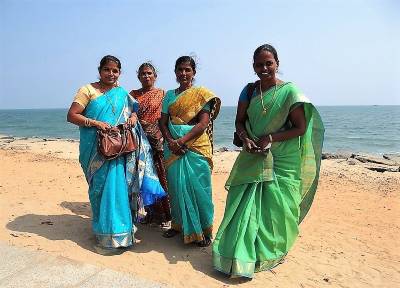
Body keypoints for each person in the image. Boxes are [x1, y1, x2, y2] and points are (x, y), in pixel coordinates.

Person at [212, 44, 325, 277]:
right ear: (253, 66)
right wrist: (245, 138)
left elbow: (301, 128)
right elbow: (239, 121)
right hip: (253, 154)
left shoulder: (290, 92)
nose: (264, 68)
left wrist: (270, 138)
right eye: (259, 64)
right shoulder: (249, 91)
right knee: (241, 203)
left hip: (282, 159)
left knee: (277, 208)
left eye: (268, 63)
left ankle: (269, 252)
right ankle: (238, 254)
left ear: (277, 63)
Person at [67, 55, 166, 251]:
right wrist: (95, 123)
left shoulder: (121, 93)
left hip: (118, 147)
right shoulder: (87, 90)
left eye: (115, 70)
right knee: (99, 189)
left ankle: (121, 232)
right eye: (107, 70)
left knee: (119, 187)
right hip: (95, 149)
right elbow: (72, 115)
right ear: (100, 70)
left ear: (119, 73)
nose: (111, 74)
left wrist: (133, 118)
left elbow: (133, 110)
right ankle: (103, 231)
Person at [159, 56, 221, 247]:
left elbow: (203, 123)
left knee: (200, 188)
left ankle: (204, 230)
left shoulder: (201, 94)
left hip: (195, 147)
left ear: (194, 72)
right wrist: (171, 141)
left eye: (187, 70)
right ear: (175, 72)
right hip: (172, 148)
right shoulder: (169, 95)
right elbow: (162, 122)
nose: (183, 73)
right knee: (176, 188)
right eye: (180, 70)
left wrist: (182, 141)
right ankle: (178, 225)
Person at [130, 62, 171, 226]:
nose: (146, 76)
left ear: (155, 76)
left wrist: (164, 136)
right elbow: (128, 114)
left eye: (149, 73)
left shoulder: (162, 94)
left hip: (158, 142)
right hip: (139, 142)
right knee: (142, 178)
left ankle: (166, 215)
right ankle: (150, 213)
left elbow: (168, 117)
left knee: (161, 177)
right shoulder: (132, 95)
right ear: (138, 77)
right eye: (143, 74)